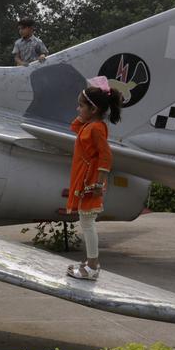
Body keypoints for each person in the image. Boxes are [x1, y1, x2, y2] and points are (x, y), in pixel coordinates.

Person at [65, 76, 122, 281]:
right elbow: (74, 127)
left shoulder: (96, 128)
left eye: (81, 106)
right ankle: (91, 262)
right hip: (85, 179)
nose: (78, 109)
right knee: (86, 222)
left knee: (87, 223)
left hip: (90, 182)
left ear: (94, 109)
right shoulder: (90, 126)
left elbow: (106, 156)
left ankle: (92, 265)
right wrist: (85, 114)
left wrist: (98, 182)